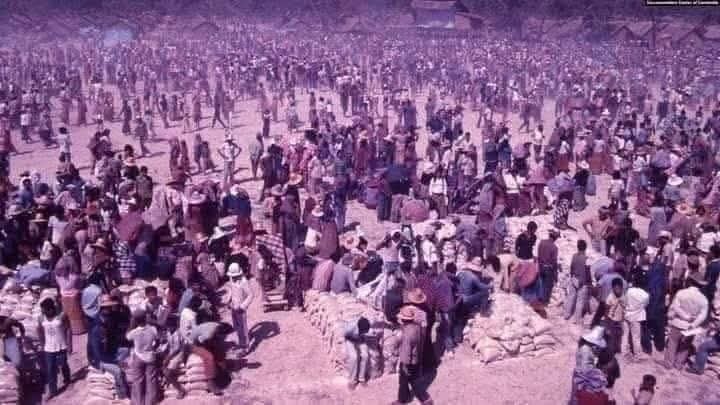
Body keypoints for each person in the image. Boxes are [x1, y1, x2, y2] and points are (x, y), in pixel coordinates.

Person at [659, 273, 709, 370]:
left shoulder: (681, 293)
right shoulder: (704, 299)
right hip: (691, 326)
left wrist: (685, 317)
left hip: (678, 322)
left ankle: (668, 363)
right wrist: (694, 324)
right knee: (685, 346)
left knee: (672, 342)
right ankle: (678, 364)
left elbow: (676, 307)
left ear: (691, 282)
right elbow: (703, 315)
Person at [88, 295, 129, 400]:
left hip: (109, 353)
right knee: (118, 371)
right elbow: (97, 353)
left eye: (110, 307)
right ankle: (122, 395)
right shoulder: (96, 328)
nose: (110, 309)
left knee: (126, 351)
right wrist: (116, 361)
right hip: (100, 359)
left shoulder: (109, 319)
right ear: (102, 309)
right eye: (107, 307)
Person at [392, 306, 432, 405]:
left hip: (408, 362)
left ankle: (403, 400)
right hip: (416, 358)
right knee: (413, 379)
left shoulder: (407, 334)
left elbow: (406, 352)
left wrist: (404, 365)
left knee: (407, 381)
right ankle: (421, 399)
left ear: (404, 320)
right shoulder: (417, 327)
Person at [37, 298, 72, 399]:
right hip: (48, 347)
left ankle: (67, 379)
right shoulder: (41, 318)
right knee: (50, 368)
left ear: (51, 309)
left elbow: (68, 329)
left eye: (45, 310)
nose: (44, 312)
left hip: (61, 345)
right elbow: (39, 330)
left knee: (63, 364)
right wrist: (42, 344)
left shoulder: (62, 316)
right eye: (43, 310)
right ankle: (53, 390)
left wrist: (69, 344)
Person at [126, 309, 159, 405]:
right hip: (150, 357)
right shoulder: (153, 329)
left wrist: (131, 324)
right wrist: (152, 348)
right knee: (151, 381)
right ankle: (150, 402)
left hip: (139, 357)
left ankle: (138, 402)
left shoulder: (134, 332)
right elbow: (157, 340)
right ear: (145, 318)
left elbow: (127, 337)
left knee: (137, 381)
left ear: (135, 320)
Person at [222, 263, 254, 354]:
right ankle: (241, 342)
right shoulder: (231, 279)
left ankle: (245, 347)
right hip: (233, 306)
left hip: (240, 308)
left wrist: (243, 306)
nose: (233, 277)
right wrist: (228, 300)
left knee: (243, 328)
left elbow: (251, 295)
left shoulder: (244, 282)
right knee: (237, 327)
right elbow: (231, 291)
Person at [344, 317, 371, 390]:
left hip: (360, 339)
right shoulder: (350, 327)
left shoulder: (366, 325)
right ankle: (352, 381)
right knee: (354, 357)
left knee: (365, 356)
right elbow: (345, 335)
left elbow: (365, 335)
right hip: (350, 340)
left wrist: (361, 337)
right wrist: (353, 341)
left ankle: (361, 378)